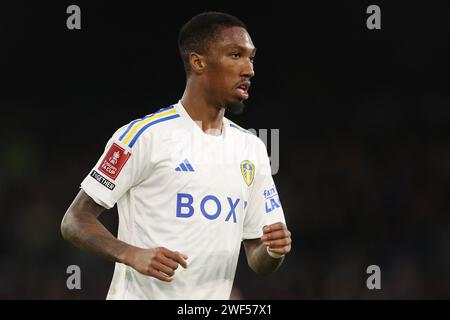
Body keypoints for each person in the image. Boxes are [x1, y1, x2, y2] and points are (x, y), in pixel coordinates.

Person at [61, 11, 292, 300]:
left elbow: (257, 259)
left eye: (251, 58)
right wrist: (131, 254)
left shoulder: (252, 148)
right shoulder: (143, 136)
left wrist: (273, 250)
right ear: (198, 62)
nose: (249, 69)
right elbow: (74, 220)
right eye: (236, 55)